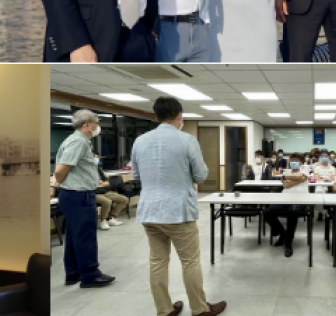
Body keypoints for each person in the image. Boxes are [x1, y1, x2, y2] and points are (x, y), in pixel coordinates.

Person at [132, 97, 227, 316]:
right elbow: (201, 174)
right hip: (178, 212)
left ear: (156, 116)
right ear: (179, 116)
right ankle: (200, 309)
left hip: (149, 211)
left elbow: (137, 175)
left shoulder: (140, 141)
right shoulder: (187, 140)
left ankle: (164, 310)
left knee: (157, 261)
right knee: (190, 262)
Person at [53, 110, 115, 288]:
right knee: (86, 236)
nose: (98, 126)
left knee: (74, 236)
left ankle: (74, 273)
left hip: (74, 194)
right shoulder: (78, 142)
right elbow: (60, 170)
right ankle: (90, 275)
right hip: (77, 195)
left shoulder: (77, 141)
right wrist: (61, 182)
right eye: (96, 122)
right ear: (87, 125)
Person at [264, 153, 308, 257]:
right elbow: (286, 185)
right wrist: (296, 179)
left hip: (300, 200)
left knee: (291, 213)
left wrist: (286, 178)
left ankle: (288, 244)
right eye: (292, 160)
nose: (294, 162)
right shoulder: (287, 171)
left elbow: (300, 178)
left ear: (300, 162)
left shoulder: (305, 169)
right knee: (267, 212)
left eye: (296, 160)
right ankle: (283, 233)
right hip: (285, 198)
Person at [93, 153, 128, 230]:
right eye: (94, 157)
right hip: (93, 193)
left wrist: (101, 184)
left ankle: (110, 218)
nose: (96, 159)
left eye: (97, 157)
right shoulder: (86, 170)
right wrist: (99, 184)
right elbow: (90, 185)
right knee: (107, 202)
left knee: (124, 199)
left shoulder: (98, 169)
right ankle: (102, 221)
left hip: (104, 191)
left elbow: (107, 182)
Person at [313, 153, 336, 221]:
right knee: (318, 192)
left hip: (330, 185)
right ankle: (321, 212)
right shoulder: (317, 168)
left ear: (329, 158)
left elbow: (333, 178)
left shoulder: (333, 168)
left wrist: (323, 177)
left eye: (326, 156)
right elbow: (316, 177)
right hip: (320, 185)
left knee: (332, 194)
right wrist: (326, 178)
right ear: (320, 158)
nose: (324, 157)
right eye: (322, 156)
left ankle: (328, 211)